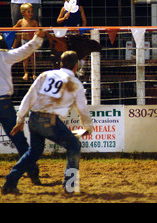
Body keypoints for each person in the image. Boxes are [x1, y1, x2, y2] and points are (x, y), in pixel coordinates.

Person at [2, 51, 94, 195]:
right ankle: (69, 186)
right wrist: (88, 127)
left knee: (34, 152)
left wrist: (20, 119)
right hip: (50, 122)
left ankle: (10, 182)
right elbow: (82, 108)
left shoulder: (45, 75)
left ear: (61, 63)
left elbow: (29, 97)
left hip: (34, 118)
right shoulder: (75, 83)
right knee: (74, 146)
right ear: (76, 66)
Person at [0, 29, 45, 187]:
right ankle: (33, 174)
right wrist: (37, 40)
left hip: (4, 102)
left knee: (19, 139)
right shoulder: (4, 56)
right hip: (3, 102)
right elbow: (24, 50)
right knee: (19, 140)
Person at [12, 3, 40, 81]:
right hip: (24, 41)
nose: (31, 13)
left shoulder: (34, 22)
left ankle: (34, 73)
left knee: (32, 58)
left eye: (32, 11)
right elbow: (13, 28)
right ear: (23, 13)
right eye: (29, 11)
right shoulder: (21, 21)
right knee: (25, 58)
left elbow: (39, 30)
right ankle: (26, 73)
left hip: (32, 41)